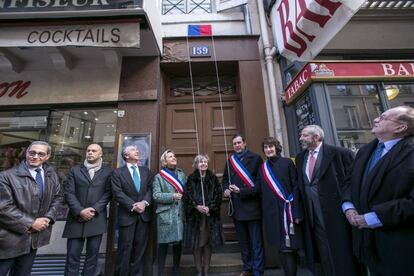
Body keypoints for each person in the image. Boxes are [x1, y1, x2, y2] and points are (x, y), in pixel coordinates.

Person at [342, 106, 414, 276]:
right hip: (365, 246)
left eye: (383, 117)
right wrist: (348, 205)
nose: (375, 119)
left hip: (400, 250)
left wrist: (373, 218)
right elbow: (349, 181)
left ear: (400, 128)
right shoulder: (365, 150)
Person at [295, 125, 361, 276]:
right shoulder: (300, 158)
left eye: (304, 136)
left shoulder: (340, 154)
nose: (301, 139)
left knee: (342, 249)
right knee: (322, 248)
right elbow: (300, 186)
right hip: (312, 212)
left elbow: (353, 181)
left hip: (336, 212)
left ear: (316, 137)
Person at [0, 141, 63, 276]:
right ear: (26, 153)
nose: (35, 156)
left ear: (47, 157)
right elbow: (3, 207)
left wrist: (48, 218)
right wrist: (31, 223)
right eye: (32, 152)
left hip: (32, 241)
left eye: (41, 154)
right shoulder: (6, 176)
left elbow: (57, 198)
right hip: (7, 241)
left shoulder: (51, 175)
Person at [62, 143, 112, 276]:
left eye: (94, 151)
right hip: (76, 218)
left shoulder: (108, 171)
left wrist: (95, 209)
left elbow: (108, 193)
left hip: (96, 219)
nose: (90, 152)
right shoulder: (75, 170)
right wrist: (80, 210)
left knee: (92, 256)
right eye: (88, 150)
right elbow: (69, 193)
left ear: (100, 154)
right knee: (72, 256)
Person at [257, 137, 304, 276]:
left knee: (289, 247)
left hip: (288, 211)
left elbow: (296, 187)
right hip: (272, 212)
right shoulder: (262, 168)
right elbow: (258, 189)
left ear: (277, 148)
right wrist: (240, 191)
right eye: (265, 147)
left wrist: (297, 212)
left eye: (271, 147)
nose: (268, 149)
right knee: (280, 246)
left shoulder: (287, 163)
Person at [222, 134, 264, 276]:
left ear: (245, 143)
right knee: (244, 242)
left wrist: (242, 191)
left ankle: (258, 271)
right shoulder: (230, 161)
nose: (237, 145)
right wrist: (226, 190)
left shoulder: (256, 158)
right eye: (234, 144)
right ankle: (247, 268)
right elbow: (225, 180)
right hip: (238, 208)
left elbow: (260, 184)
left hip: (252, 206)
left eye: (239, 143)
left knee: (256, 242)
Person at [111, 145, 153, 276]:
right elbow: (117, 193)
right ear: (126, 155)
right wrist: (134, 205)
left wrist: (144, 203)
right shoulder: (117, 172)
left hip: (144, 215)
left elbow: (151, 189)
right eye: (134, 150)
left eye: (137, 149)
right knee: (125, 247)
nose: (137, 151)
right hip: (127, 215)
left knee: (140, 248)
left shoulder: (146, 171)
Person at [183, 154, 224, 276]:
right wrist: (196, 206)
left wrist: (210, 207)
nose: (203, 164)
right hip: (196, 217)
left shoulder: (213, 178)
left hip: (210, 217)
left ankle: (206, 270)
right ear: (196, 164)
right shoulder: (191, 178)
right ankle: (199, 271)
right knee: (197, 243)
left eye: (205, 162)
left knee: (207, 243)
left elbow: (218, 195)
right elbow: (187, 196)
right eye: (201, 162)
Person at [153, 149, 187, 276]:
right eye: (170, 156)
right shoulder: (159, 177)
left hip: (180, 213)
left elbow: (188, 191)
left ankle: (176, 270)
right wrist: (172, 196)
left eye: (174, 156)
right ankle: (160, 272)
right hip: (166, 214)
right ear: (164, 161)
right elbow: (156, 196)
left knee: (178, 243)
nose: (173, 158)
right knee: (163, 244)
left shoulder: (181, 174)